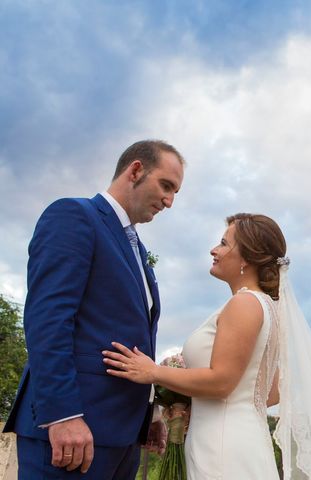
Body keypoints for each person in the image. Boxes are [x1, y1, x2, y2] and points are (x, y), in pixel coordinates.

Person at [103, 213, 311, 479]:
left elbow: (222, 381)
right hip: (242, 441)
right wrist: (191, 399)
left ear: (247, 258)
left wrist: (153, 372)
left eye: (224, 243)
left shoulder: (244, 304)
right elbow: (270, 392)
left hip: (221, 447)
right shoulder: (268, 307)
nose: (214, 250)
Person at [3, 140, 185, 479]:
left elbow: (131, 339)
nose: (170, 201)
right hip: (73, 434)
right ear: (135, 170)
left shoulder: (137, 250)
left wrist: (151, 414)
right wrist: (62, 415)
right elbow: (48, 318)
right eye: (166, 186)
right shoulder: (75, 216)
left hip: (123, 438)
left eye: (175, 192)